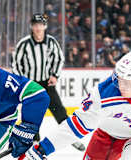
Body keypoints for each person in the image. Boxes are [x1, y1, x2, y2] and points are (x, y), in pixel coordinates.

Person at [12, 13, 85, 151]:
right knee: (32, 113)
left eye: (40, 25)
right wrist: (22, 80)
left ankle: (71, 137)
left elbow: (59, 58)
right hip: (30, 85)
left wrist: (55, 75)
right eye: (35, 25)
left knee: (60, 111)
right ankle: (33, 141)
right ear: (31, 26)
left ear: (45, 26)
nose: (38, 28)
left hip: (47, 83)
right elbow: (16, 63)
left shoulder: (51, 41)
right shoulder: (24, 44)